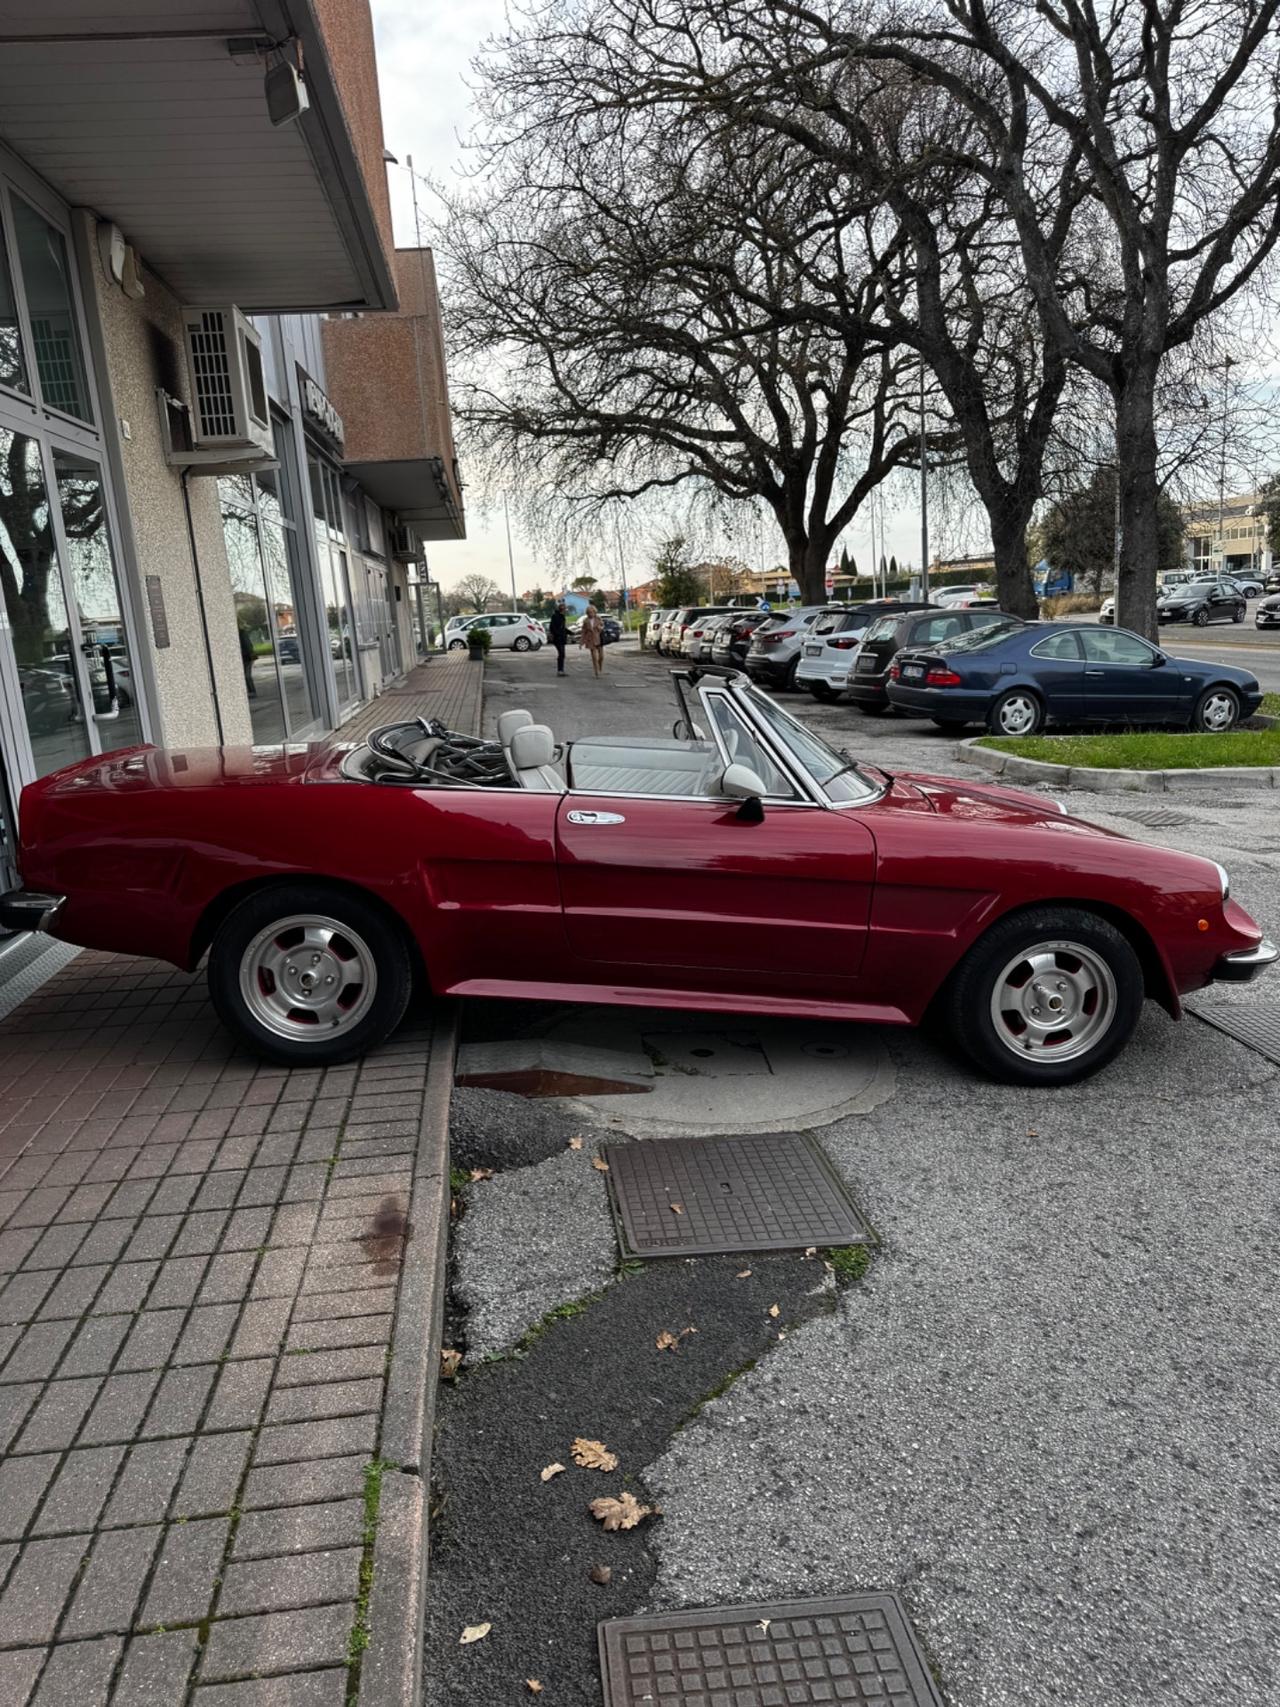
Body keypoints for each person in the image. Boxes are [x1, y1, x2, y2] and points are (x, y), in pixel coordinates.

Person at [579, 603, 605, 677]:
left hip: (599, 639)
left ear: (594, 612)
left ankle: (600, 667)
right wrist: (581, 642)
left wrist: (601, 628)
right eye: (589, 612)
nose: (591, 614)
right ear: (587, 613)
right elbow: (583, 632)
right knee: (594, 657)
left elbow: (603, 626)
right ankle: (596, 672)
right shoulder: (586, 621)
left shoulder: (598, 618)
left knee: (601, 656)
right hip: (590, 640)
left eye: (592, 612)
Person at [549, 601, 568, 674]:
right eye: (565, 609)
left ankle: (561, 670)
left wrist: (570, 632)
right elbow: (552, 627)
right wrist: (558, 634)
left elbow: (563, 628)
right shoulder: (555, 616)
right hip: (558, 638)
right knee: (561, 653)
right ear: (562, 609)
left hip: (562, 638)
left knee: (562, 654)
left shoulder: (562, 616)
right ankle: (560, 670)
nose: (565, 611)